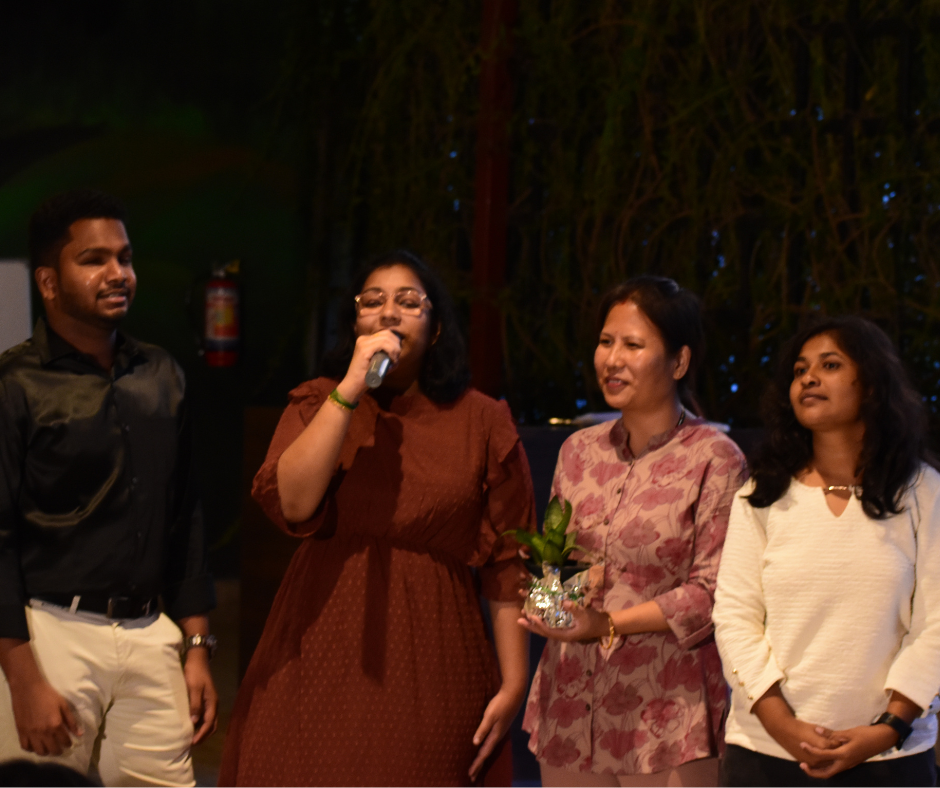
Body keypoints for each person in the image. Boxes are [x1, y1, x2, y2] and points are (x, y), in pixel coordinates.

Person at [218, 250, 536, 786]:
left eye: (408, 302)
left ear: (435, 330)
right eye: (373, 301)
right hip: (319, 638)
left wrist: (514, 680)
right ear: (356, 324)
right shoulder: (320, 401)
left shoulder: (482, 419)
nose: (389, 312)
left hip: (435, 652)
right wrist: (349, 389)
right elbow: (292, 504)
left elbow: (510, 559)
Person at [0, 190, 218, 786]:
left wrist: (198, 646)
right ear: (48, 282)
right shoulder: (14, 384)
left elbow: (186, 516)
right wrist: (22, 677)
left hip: (153, 637)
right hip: (50, 636)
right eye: (95, 259)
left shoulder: (162, 374)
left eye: (124, 257)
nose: (118, 273)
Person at [521, 276, 748, 787]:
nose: (612, 358)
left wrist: (603, 624)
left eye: (633, 345)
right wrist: (547, 600)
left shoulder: (715, 458)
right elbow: (559, 557)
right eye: (606, 342)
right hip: (570, 706)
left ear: (679, 362)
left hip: (666, 711)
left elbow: (711, 593)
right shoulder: (578, 451)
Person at [713, 316, 940, 787]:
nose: (809, 378)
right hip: (766, 753)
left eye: (830, 365)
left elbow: (936, 624)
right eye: (799, 370)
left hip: (890, 757)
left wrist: (887, 730)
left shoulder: (923, 491)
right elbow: (734, 617)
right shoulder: (761, 493)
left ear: (872, 386)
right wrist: (784, 728)